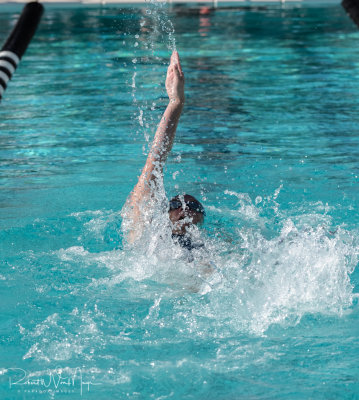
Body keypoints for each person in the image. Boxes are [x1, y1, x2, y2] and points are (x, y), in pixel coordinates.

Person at [123, 51, 206, 248]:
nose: (186, 210)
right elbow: (155, 161)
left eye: (193, 207)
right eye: (179, 205)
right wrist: (175, 103)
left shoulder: (211, 246)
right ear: (165, 213)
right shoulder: (146, 235)